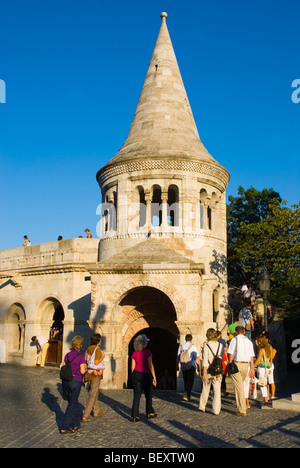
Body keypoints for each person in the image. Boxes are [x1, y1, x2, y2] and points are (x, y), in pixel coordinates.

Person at [60, 336, 86, 434]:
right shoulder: (81, 357)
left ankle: (75, 424)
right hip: (75, 381)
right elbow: (82, 370)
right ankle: (64, 426)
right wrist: (85, 370)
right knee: (71, 404)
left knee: (73, 402)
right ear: (81, 345)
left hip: (66, 380)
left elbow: (64, 365)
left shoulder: (67, 355)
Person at [227, 326, 255, 416]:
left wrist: (230, 364)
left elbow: (230, 353)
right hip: (246, 365)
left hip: (237, 364)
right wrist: (252, 368)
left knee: (238, 387)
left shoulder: (234, 340)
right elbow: (251, 357)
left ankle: (242, 409)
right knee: (241, 385)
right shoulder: (249, 342)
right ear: (243, 332)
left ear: (236, 332)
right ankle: (244, 404)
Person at [131, 334, 157, 422]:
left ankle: (135, 415)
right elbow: (150, 366)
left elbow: (132, 367)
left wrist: (134, 376)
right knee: (148, 394)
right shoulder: (147, 352)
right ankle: (149, 412)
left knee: (137, 395)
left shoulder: (134, 353)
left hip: (136, 374)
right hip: (146, 375)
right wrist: (154, 377)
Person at [199, 329, 223, 415]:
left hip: (209, 369)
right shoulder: (220, 345)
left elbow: (205, 359)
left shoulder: (206, 345)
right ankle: (216, 410)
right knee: (217, 390)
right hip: (217, 370)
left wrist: (204, 373)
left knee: (206, 388)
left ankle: (202, 406)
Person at [82, 333, 105, 422]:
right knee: (92, 394)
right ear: (98, 341)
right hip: (95, 374)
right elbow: (96, 362)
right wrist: (103, 357)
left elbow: (86, 361)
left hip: (89, 373)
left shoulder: (88, 349)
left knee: (94, 392)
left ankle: (97, 410)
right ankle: (86, 415)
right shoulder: (97, 350)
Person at [254, 334, 277, 406]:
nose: (258, 343)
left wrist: (253, 366)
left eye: (258, 341)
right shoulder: (269, 347)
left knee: (262, 384)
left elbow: (258, 360)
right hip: (268, 367)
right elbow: (271, 358)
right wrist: (270, 366)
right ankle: (269, 397)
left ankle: (266, 400)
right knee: (268, 382)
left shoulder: (261, 349)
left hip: (262, 368)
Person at [177, 334, 200, 402]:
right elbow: (196, 358)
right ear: (191, 339)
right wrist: (198, 365)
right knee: (190, 381)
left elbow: (178, 357)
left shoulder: (181, 346)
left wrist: (177, 365)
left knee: (185, 380)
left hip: (183, 365)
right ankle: (186, 394)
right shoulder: (193, 347)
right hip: (191, 365)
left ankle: (187, 394)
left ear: (185, 339)